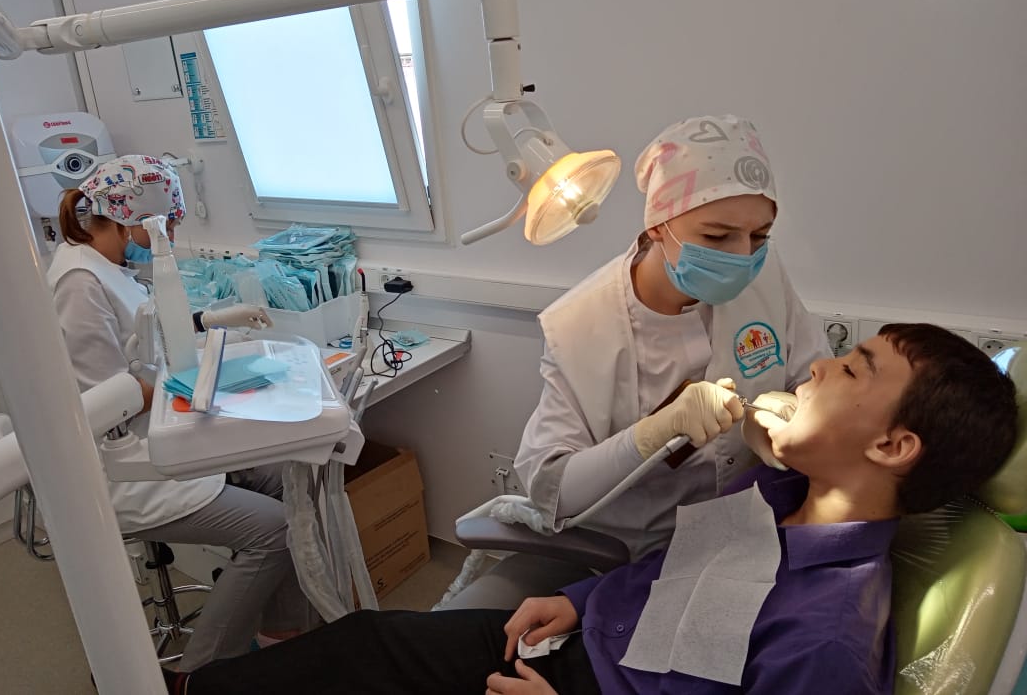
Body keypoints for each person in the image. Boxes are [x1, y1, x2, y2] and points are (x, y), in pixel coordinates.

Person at [163, 322, 1019, 693]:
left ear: (893, 447)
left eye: (855, 368)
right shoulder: (775, 491)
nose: (821, 367)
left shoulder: (827, 637)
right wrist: (578, 599)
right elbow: (678, 577)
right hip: (586, 643)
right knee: (366, 644)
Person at [447, 114, 831, 608]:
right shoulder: (581, 325)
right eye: (718, 237)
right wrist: (650, 435)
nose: (742, 256)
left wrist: (786, 412)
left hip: (742, 535)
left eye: (759, 236)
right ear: (658, 225)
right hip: (632, 555)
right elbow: (552, 488)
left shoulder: (767, 276)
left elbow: (816, 379)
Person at [49, 154, 308, 669]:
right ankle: (199, 672)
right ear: (128, 219)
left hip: (164, 435)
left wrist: (207, 320)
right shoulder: (78, 284)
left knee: (289, 478)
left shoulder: (106, 267)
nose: (168, 236)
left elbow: (143, 332)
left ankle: (279, 640)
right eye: (164, 225)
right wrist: (190, 377)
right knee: (276, 530)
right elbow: (106, 398)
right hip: (124, 470)